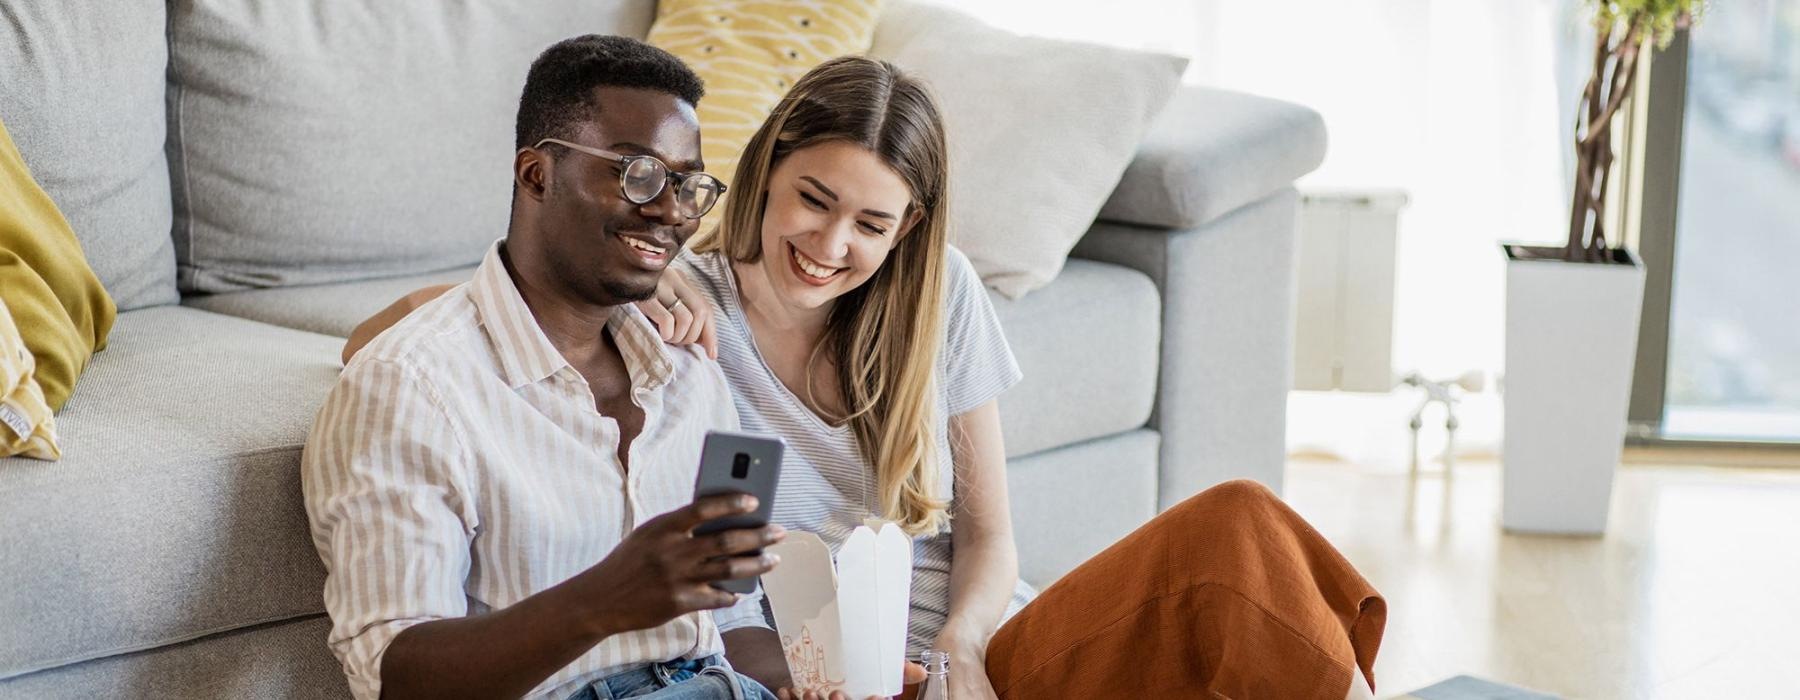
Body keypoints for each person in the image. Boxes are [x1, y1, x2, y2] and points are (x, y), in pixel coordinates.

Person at [346, 56, 1387, 700]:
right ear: (768, 165)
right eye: (813, 199)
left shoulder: (944, 300)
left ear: (909, 231)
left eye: (871, 224)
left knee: (1241, 537)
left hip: (986, 655)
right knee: (1233, 573)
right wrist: (646, 296)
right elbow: (410, 332)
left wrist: (967, 653)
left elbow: (990, 538)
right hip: (834, 672)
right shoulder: (678, 301)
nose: (830, 243)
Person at [305, 35, 798, 700]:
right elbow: (395, 675)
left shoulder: (689, 369)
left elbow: (734, 614)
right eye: (639, 175)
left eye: (688, 185)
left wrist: (811, 679)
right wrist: (602, 600)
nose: (673, 212)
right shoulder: (410, 386)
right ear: (537, 175)